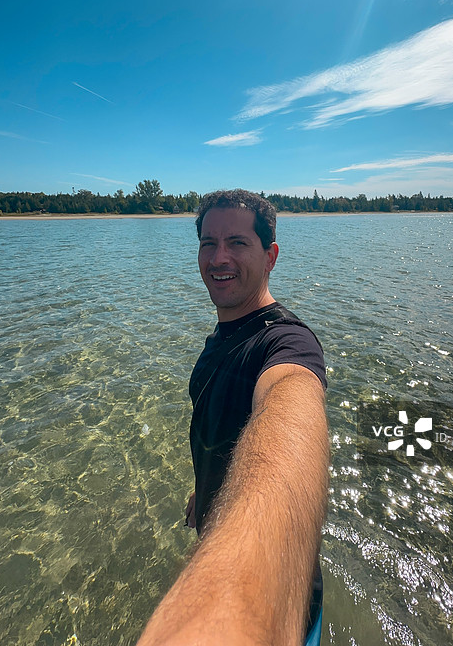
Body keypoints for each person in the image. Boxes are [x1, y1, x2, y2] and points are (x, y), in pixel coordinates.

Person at [137, 189, 329, 646]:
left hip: (279, 613)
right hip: (214, 520)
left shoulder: (287, 344)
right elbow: (217, 424)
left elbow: (289, 405)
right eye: (208, 243)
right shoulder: (223, 336)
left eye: (238, 243)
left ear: (270, 256)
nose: (219, 257)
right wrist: (203, 491)